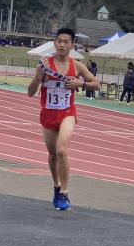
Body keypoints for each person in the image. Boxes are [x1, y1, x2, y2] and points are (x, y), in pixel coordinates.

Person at [28, 28, 100, 210]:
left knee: (61, 149)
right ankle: (56, 186)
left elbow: (96, 84)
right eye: (59, 41)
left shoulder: (76, 66)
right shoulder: (44, 64)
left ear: (72, 45)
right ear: (54, 42)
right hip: (48, 113)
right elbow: (30, 93)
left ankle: (64, 193)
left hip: (67, 112)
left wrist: (80, 83)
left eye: (66, 42)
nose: (61, 45)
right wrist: (38, 77)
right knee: (52, 155)